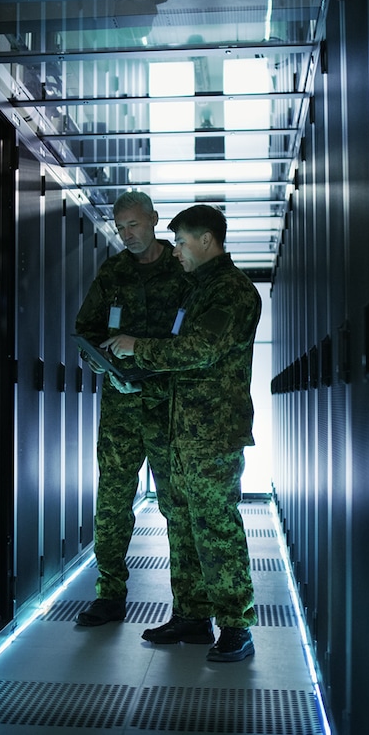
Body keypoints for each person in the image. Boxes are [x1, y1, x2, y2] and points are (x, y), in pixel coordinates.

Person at [101, 204, 261, 662]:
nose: (175, 252)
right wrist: (131, 373)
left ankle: (236, 624)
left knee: (215, 526)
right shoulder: (199, 290)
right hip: (180, 430)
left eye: (181, 242)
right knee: (183, 523)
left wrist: (137, 347)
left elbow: (199, 350)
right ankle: (192, 615)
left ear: (206, 240)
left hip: (212, 434)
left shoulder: (232, 291)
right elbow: (179, 357)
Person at [72, 190, 194, 627]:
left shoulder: (181, 269)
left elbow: (196, 339)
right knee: (112, 501)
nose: (127, 234)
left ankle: (189, 607)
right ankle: (109, 595)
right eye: (121, 228)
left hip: (167, 404)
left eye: (134, 225)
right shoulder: (114, 272)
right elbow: (85, 330)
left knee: (177, 504)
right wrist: (98, 361)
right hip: (121, 406)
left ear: (154, 219)